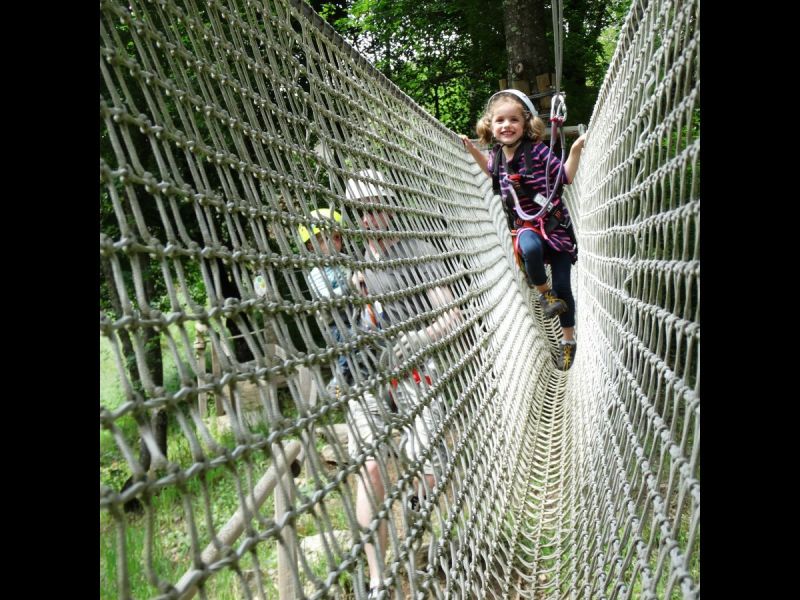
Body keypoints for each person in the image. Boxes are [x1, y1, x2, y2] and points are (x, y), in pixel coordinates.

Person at [344, 168, 461, 598]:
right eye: (360, 211)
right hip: (369, 374)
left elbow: (452, 315)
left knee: (429, 467)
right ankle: (377, 580)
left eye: (374, 209)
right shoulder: (357, 260)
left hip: (414, 368)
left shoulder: (419, 251)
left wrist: (420, 337)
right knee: (370, 468)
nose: (367, 219)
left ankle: (416, 508)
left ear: (389, 208)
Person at [462, 89, 587, 371]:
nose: (507, 125)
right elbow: (492, 172)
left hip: (556, 230)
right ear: (490, 126)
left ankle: (568, 340)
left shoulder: (539, 152)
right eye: (500, 121)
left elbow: (565, 176)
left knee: (565, 287)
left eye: (514, 120)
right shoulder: (497, 155)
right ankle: (545, 294)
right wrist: (471, 150)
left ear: (525, 124)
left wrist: (576, 148)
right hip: (526, 226)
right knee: (529, 249)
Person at [298, 208, 359, 390]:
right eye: (326, 239)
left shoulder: (343, 263)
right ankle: (338, 384)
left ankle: (354, 379)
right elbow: (327, 298)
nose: (334, 243)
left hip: (352, 315)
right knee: (347, 348)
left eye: (337, 237)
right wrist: (351, 284)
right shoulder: (316, 274)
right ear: (311, 246)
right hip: (335, 323)